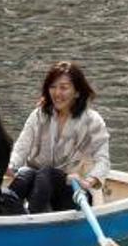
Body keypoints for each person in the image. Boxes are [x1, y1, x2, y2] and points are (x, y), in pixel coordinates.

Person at [6, 61, 111, 213]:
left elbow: (103, 160)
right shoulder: (39, 115)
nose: (56, 93)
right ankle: (6, 214)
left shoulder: (92, 120)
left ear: (77, 92)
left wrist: (89, 181)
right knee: (25, 174)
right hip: (39, 189)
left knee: (46, 173)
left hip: (73, 191)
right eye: (53, 87)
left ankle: (33, 222)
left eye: (63, 88)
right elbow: (21, 148)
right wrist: (11, 165)